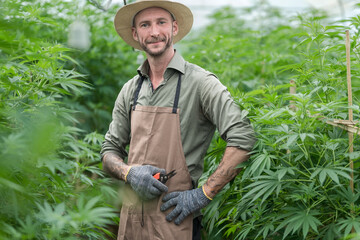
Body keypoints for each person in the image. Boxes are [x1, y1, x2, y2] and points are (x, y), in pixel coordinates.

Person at [100, 0, 256, 239]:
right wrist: (129, 173)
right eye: (145, 25)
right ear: (135, 33)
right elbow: (109, 151)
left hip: (176, 219)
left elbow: (243, 137)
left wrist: (203, 194)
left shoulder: (201, 83)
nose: (154, 32)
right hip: (132, 223)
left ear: (174, 28)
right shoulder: (130, 89)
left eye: (161, 22)